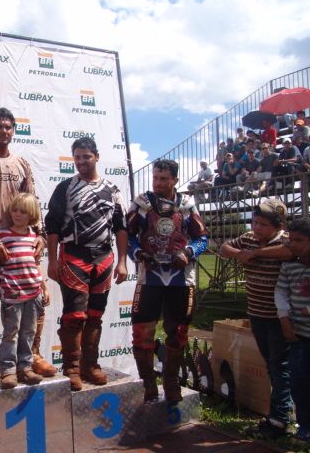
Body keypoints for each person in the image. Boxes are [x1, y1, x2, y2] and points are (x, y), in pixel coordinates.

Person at [0, 107, 55, 384]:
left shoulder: (22, 163)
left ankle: (32, 356)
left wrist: (40, 236)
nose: (3, 131)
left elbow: (33, 202)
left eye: (7, 126)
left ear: (13, 130)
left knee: (33, 298)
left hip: (22, 243)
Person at [45, 137, 128, 391]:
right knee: (74, 314)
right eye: (77, 157)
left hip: (103, 257)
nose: (81, 162)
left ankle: (90, 365)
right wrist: (52, 260)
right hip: (74, 256)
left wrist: (122, 262)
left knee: (95, 315)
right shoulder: (65, 188)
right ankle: (71, 368)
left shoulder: (112, 190)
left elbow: (121, 227)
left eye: (86, 157)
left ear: (97, 157)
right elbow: (52, 227)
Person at [127, 159, 208, 405]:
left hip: (180, 278)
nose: (158, 183)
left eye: (163, 179)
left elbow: (202, 238)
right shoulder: (142, 203)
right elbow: (127, 235)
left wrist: (188, 253)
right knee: (142, 332)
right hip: (150, 276)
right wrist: (138, 253)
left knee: (179, 331)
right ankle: (148, 384)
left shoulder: (187, 204)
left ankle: (171, 383)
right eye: (155, 178)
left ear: (175, 180)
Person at [220, 199, 292, 439]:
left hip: (279, 318)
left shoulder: (285, 240)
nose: (257, 228)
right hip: (257, 313)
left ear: (278, 225)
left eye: (263, 224)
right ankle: (282, 412)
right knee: (272, 365)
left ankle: (279, 419)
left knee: (280, 366)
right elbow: (224, 249)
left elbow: (290, 251)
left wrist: (255, 253)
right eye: (255, 222)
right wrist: (241, 254)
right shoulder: (248, 238)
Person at [0, 193, 48, 389]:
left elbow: (36, 263)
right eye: (14, 210)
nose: (17, 214)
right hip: (12, 293)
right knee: (11, 332)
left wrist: (44, 286)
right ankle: (7, 370)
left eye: (23, 212)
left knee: (28, 332)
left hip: (33, 292)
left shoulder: (34, 237)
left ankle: (25, 367)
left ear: (32, 215)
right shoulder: (2, 235)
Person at [274, 218, 310, 444]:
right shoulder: (289, 266)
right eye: (291, 240)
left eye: (299, 240)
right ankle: (305, 426)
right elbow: (281, 292)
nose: (293, 245)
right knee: (298, 380)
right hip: (299, 335)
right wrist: (284, 319)